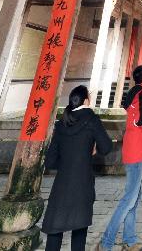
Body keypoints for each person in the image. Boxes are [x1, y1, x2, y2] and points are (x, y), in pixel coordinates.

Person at [96, 64, 142, 251]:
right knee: (129, 199)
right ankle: (106, 242)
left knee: (135, 197)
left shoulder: (140, 92)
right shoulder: (140, 95)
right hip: (136, 149)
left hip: (136, 148)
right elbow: (141, 119)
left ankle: (130, 241)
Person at [42, 85, 113, 251]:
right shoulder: (91, 119)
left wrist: (68, 162)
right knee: (80, 226)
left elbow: (50, 161)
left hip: (62, 183)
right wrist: (89, 153)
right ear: (86, 100)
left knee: (55, 227)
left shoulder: (62, 123)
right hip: (82, 182)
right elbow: (106, 147)